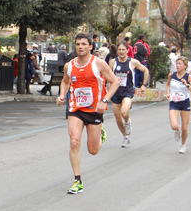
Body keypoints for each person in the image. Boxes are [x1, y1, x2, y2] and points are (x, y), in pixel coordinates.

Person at [56, 34, 119, 194]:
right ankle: (77, 181)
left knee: (93, 150)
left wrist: (104, 100)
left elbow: (115, 82)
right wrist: (62, 95)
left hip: (94, 110)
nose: (80, 47)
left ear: (90, 47)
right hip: (76, 109)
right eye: (77, 44)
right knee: (74, 141)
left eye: (84, 44)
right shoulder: (69, 65)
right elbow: (65, 81)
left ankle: (101, 135)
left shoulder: (99, 64)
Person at [109, 41, 149, 148]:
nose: (121, 52)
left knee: (124, 112)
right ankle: (126, 137)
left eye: (123, 49)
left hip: (128, 91)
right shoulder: (113, 62)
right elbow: (108, 75)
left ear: (127, 50)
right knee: (118, 118)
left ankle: (127, 121)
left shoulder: (133, 62)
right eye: (119, 50)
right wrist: (108, 86)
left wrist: (144, 85)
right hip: (116, 92)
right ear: (117, 51)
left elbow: (146, 71)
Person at [165, 56, 191, 153]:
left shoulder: (188, 77)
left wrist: (187, 85)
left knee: (185, 128)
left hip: (184, 102)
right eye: (177, 63)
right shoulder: (172, 75)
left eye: (180, 64)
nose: (178, 66)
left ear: (185, 66)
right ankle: (177, 130)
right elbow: (167, 85)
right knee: (174, 125)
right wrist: (168, 93)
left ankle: (183, 145)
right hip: (174, 102)